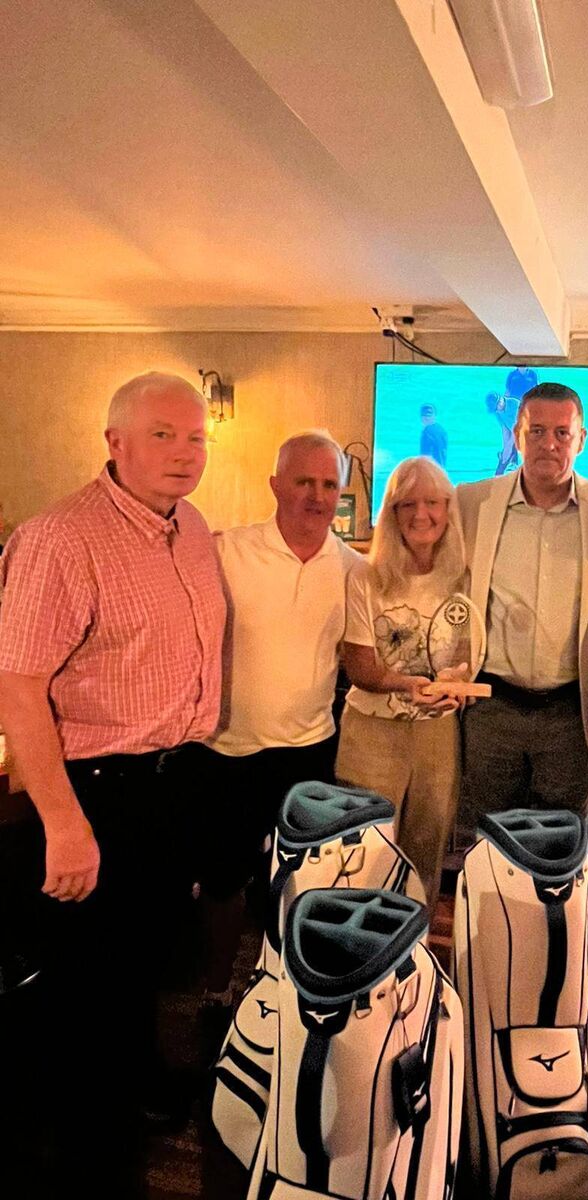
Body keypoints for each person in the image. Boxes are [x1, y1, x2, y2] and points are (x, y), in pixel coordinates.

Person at [0, 372, 225, 1196]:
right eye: (162, 434)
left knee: (146, 966)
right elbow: (17, 685)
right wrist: (63, 823)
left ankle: (135, 1091)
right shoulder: (62, 537)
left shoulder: (191, 526)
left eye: (197, 436)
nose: (184, 451)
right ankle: (94, 1160)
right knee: (87, 991)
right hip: (94, 791)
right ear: (115, 443)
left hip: (171, 786)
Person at [190, 431, 361, 1011]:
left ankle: (280, 990)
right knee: (221, 883)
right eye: (303, 481)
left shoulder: (354, 568)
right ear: (275, 485)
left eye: (328, 484)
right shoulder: (224, 551)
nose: (316, 495)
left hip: (311, 749)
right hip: (226, 747)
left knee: (295, 883)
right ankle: (216, 990)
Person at [457, 381, 588, 821]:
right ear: (515, 435)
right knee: (484, 839)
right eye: (536, 431)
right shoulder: (472, 502)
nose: (549, 443)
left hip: (570, 715)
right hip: (491, 708)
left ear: (581, 439)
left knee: (558, 844)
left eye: (562, 433)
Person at [335, 456, 467, 906]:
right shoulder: (364, 575)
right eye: (406, 503)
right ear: (390, 513)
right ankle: (363, 954)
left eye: (432, 502)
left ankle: (415, 956)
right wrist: (409, 685)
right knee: (365, 853)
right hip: (372, 732)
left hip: (437, 732)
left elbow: (470, 654)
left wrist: (457, 679)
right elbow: (360, 668)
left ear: (448, 509)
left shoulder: (463, 577)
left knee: (425, 852)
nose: (420, 514)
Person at [419, 403, 448, 467]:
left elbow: (425, 456)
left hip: (431, 470)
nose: (425, 419)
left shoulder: (426, 432)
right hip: (441, 469)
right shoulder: (442, 430)